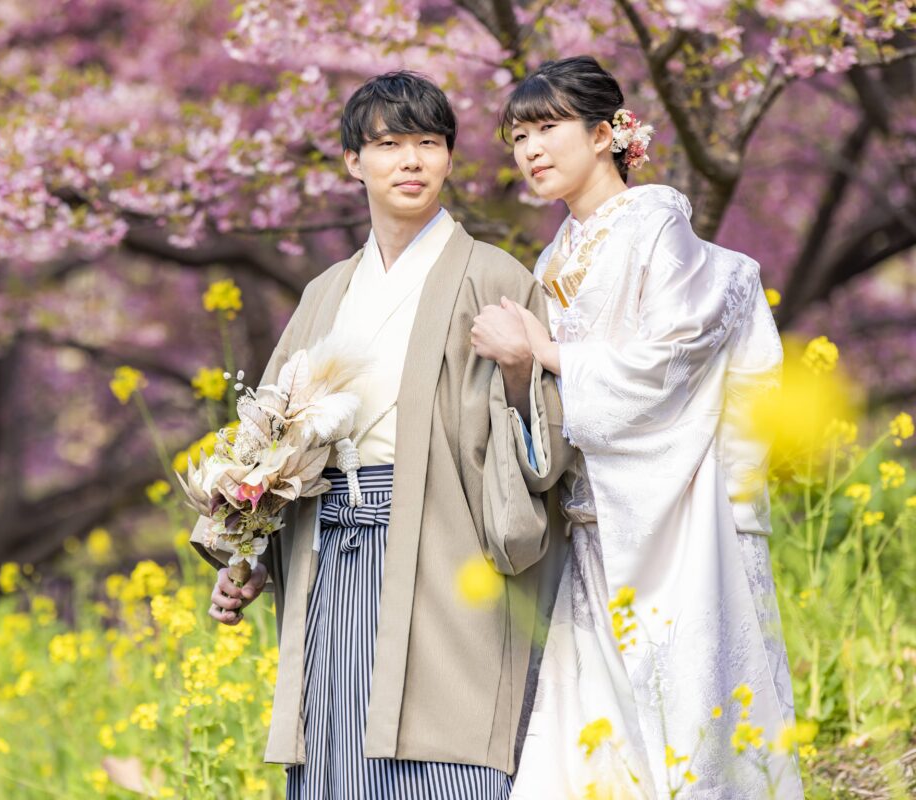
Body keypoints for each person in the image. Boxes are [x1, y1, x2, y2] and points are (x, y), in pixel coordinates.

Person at [190, 71, 572, 797]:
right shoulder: (326, 293)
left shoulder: (493, 277)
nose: (411, 161)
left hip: (447, 545)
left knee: (445, 749)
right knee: (335, 751)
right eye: (389, 144)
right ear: (352, 162)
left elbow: (547, 447)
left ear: (449, 157)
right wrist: (247, 552)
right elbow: (269, 441)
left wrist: (523, 370)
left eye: (428, 143)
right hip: (330, 547)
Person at [495, 56, 802, 798]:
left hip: (677, 507)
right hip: (597, 511)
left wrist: (549, 353)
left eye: (548, 128)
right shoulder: (555, 254)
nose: (531, 150)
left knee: (685, 707)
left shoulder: (657, 222)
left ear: (605, 135)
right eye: (518, 136)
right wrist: (522, 369)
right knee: (601, 722)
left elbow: (674, 357)